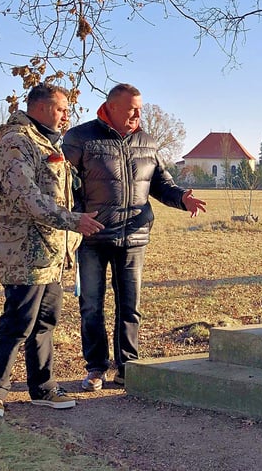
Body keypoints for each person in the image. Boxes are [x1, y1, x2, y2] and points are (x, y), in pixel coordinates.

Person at [63, 83, 206, 391]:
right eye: (132, 109)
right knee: (91, 306)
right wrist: (74, 218)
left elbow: (161, 183)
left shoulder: (147, 142)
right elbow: (61, 184)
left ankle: (127, 366)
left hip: (134, 236)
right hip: (92, 237)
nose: (138, 114)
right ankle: (96, 367)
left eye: (140, 109)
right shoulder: (80, 138)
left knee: (130, 306)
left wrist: (182, 198)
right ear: (112, 107)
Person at [0, 83, 105, 417]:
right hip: (23, 251)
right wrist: (73, 220)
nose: (66, 116)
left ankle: (43, 387)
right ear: (41, 107)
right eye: (61, 109)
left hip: (51, 253)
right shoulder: (16, 142)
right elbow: (27, 197)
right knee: (18, 321)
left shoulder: (48, 142)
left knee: (45, 321)